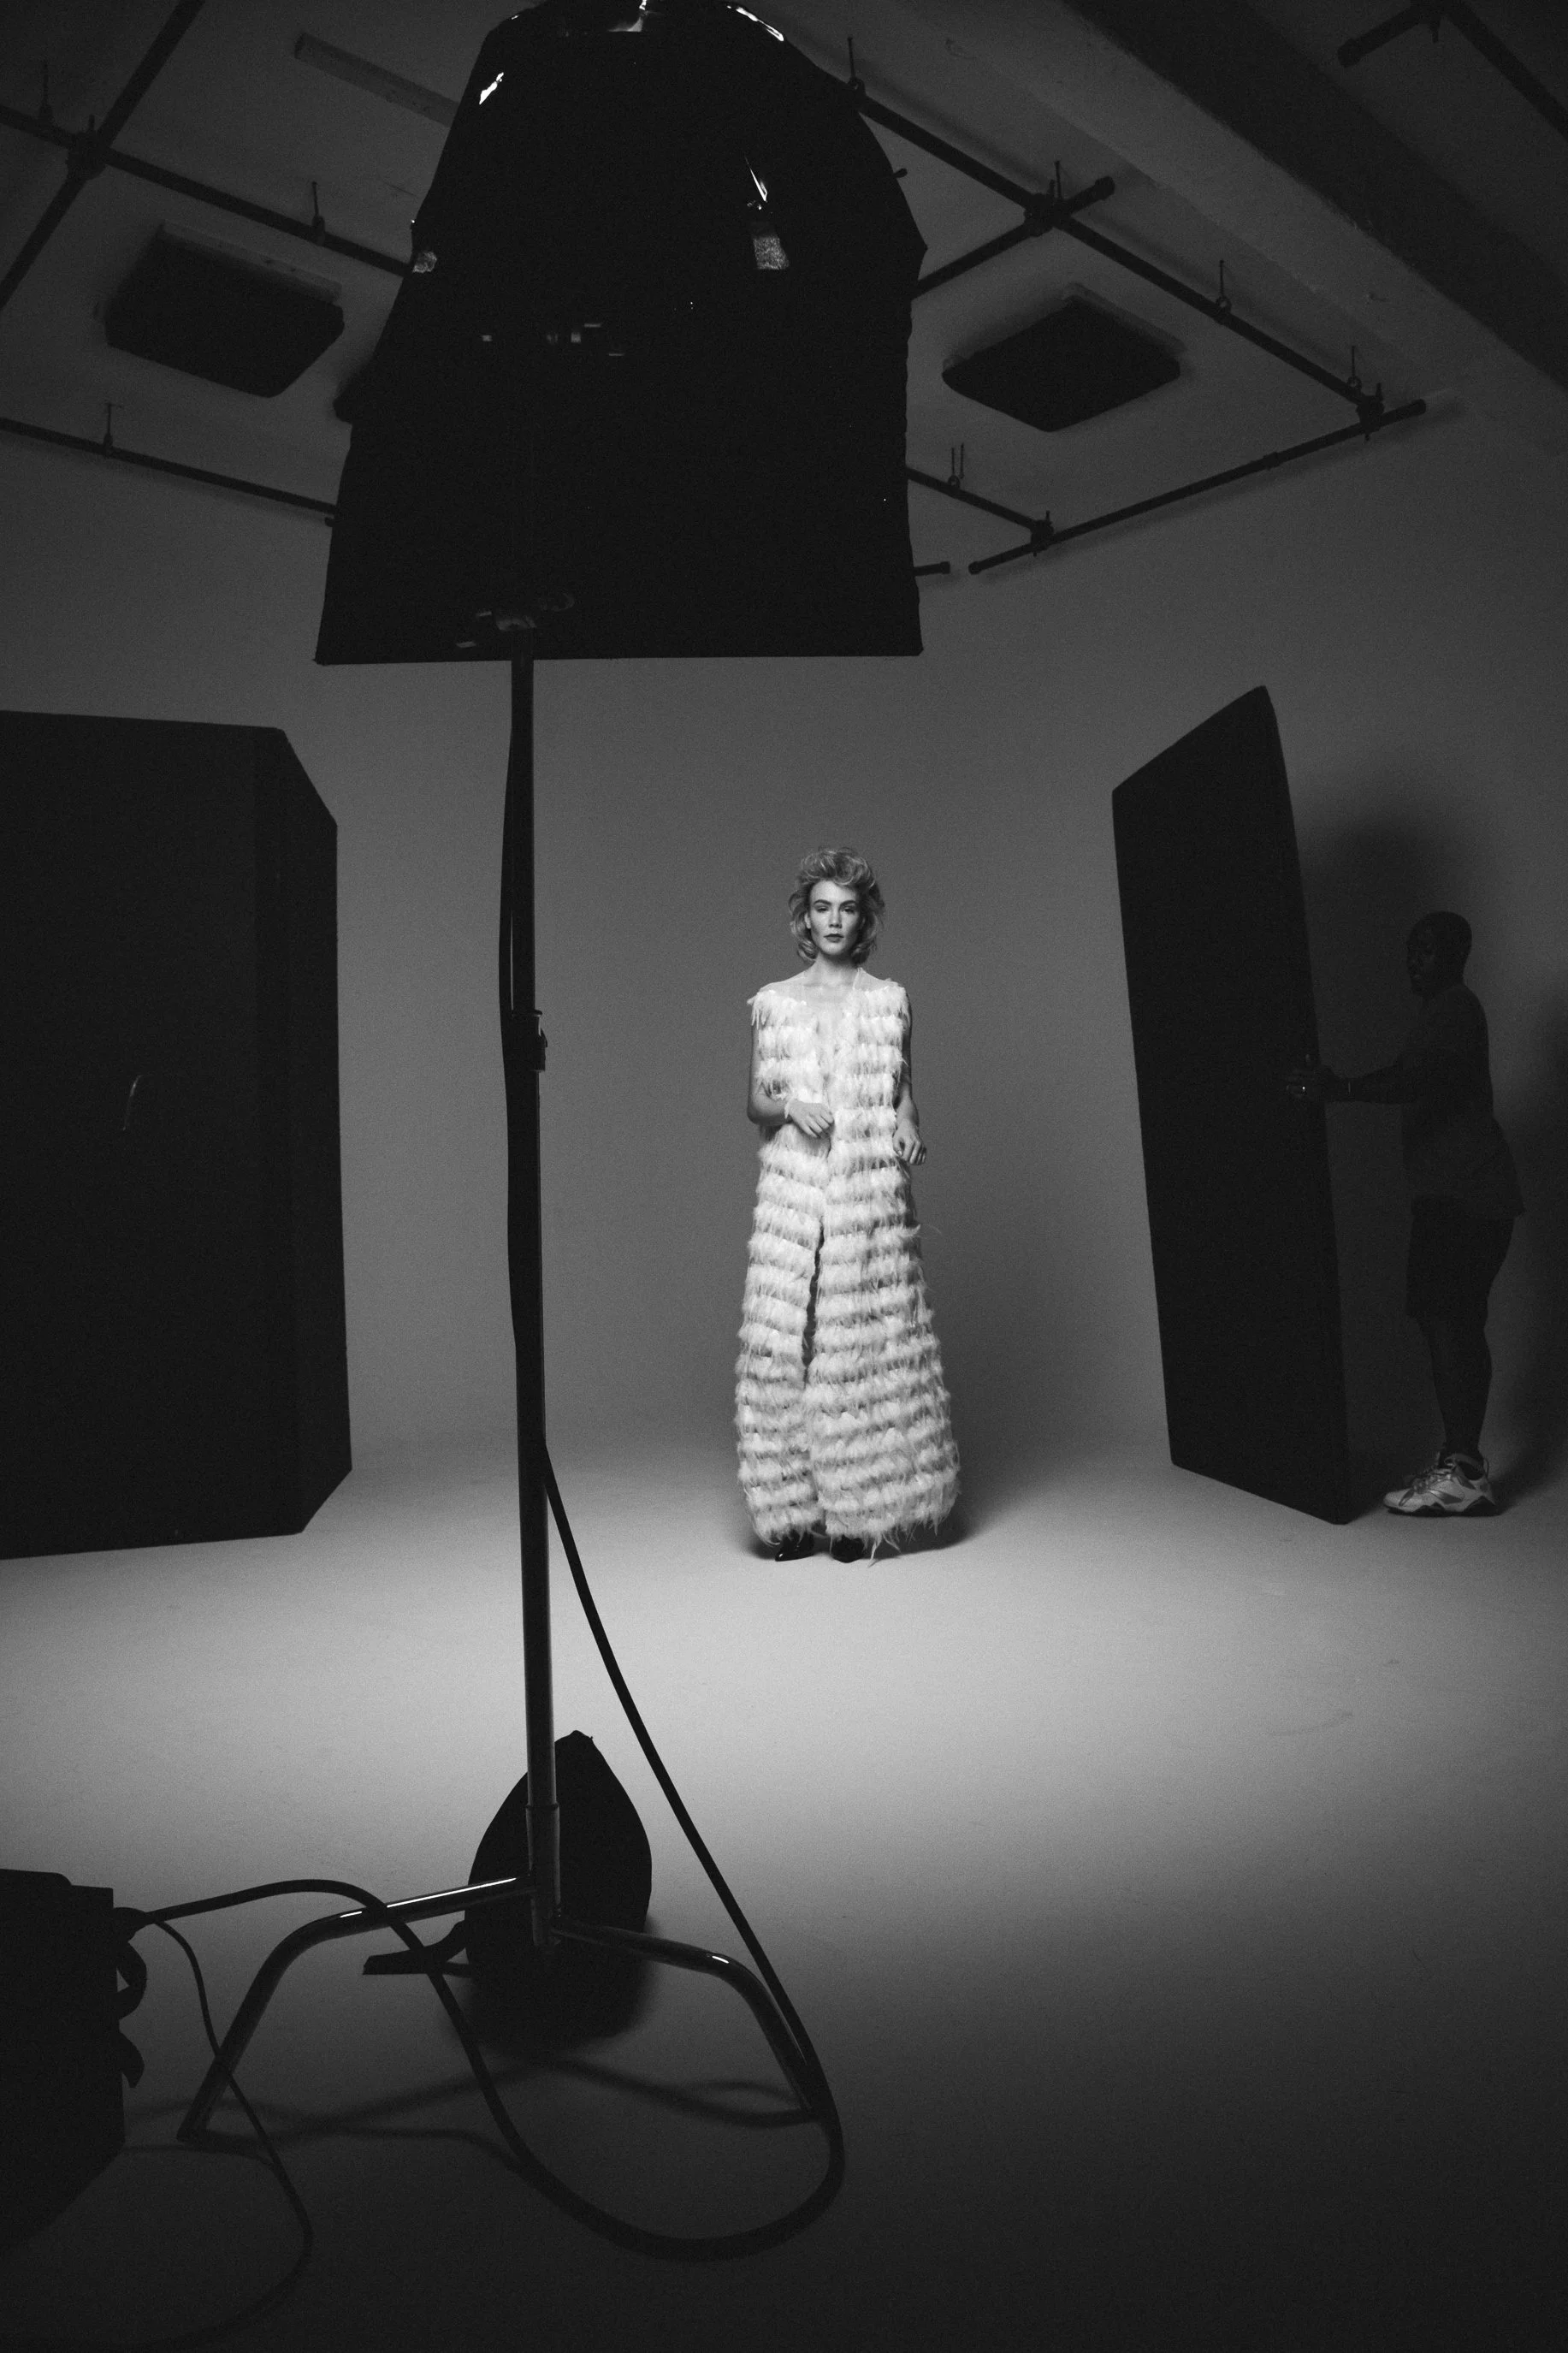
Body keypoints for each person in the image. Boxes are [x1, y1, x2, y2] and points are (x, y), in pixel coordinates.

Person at [736, 846, 960, 1561]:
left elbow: (902, 1090)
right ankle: (791, 1514)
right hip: (795, 1189)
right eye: (822, 908)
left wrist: (907, 1125)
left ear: (864, 920)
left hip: (866, 1189)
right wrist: (792, 1106)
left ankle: (857, 1513)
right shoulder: (773, 1002)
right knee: (787, 1339)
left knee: (863, 1343)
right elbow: (755, 1102)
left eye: (847, 909)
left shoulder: (889, 1000)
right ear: (804, 918)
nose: (834, 921)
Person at [1289, 911, 1523, 1514]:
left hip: (1465, 1197)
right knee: (1451, 1321)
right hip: (1464, 1197)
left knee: (1449, 1321)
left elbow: (1416, 1080)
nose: (1413, 960)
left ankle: (1463, 1472)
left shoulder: (1455, 1009)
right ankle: (1462, 1466)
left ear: (1456, 954)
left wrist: (1338, 1089)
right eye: (1410, 948)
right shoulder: (1442, 1012)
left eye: (1427, 949)